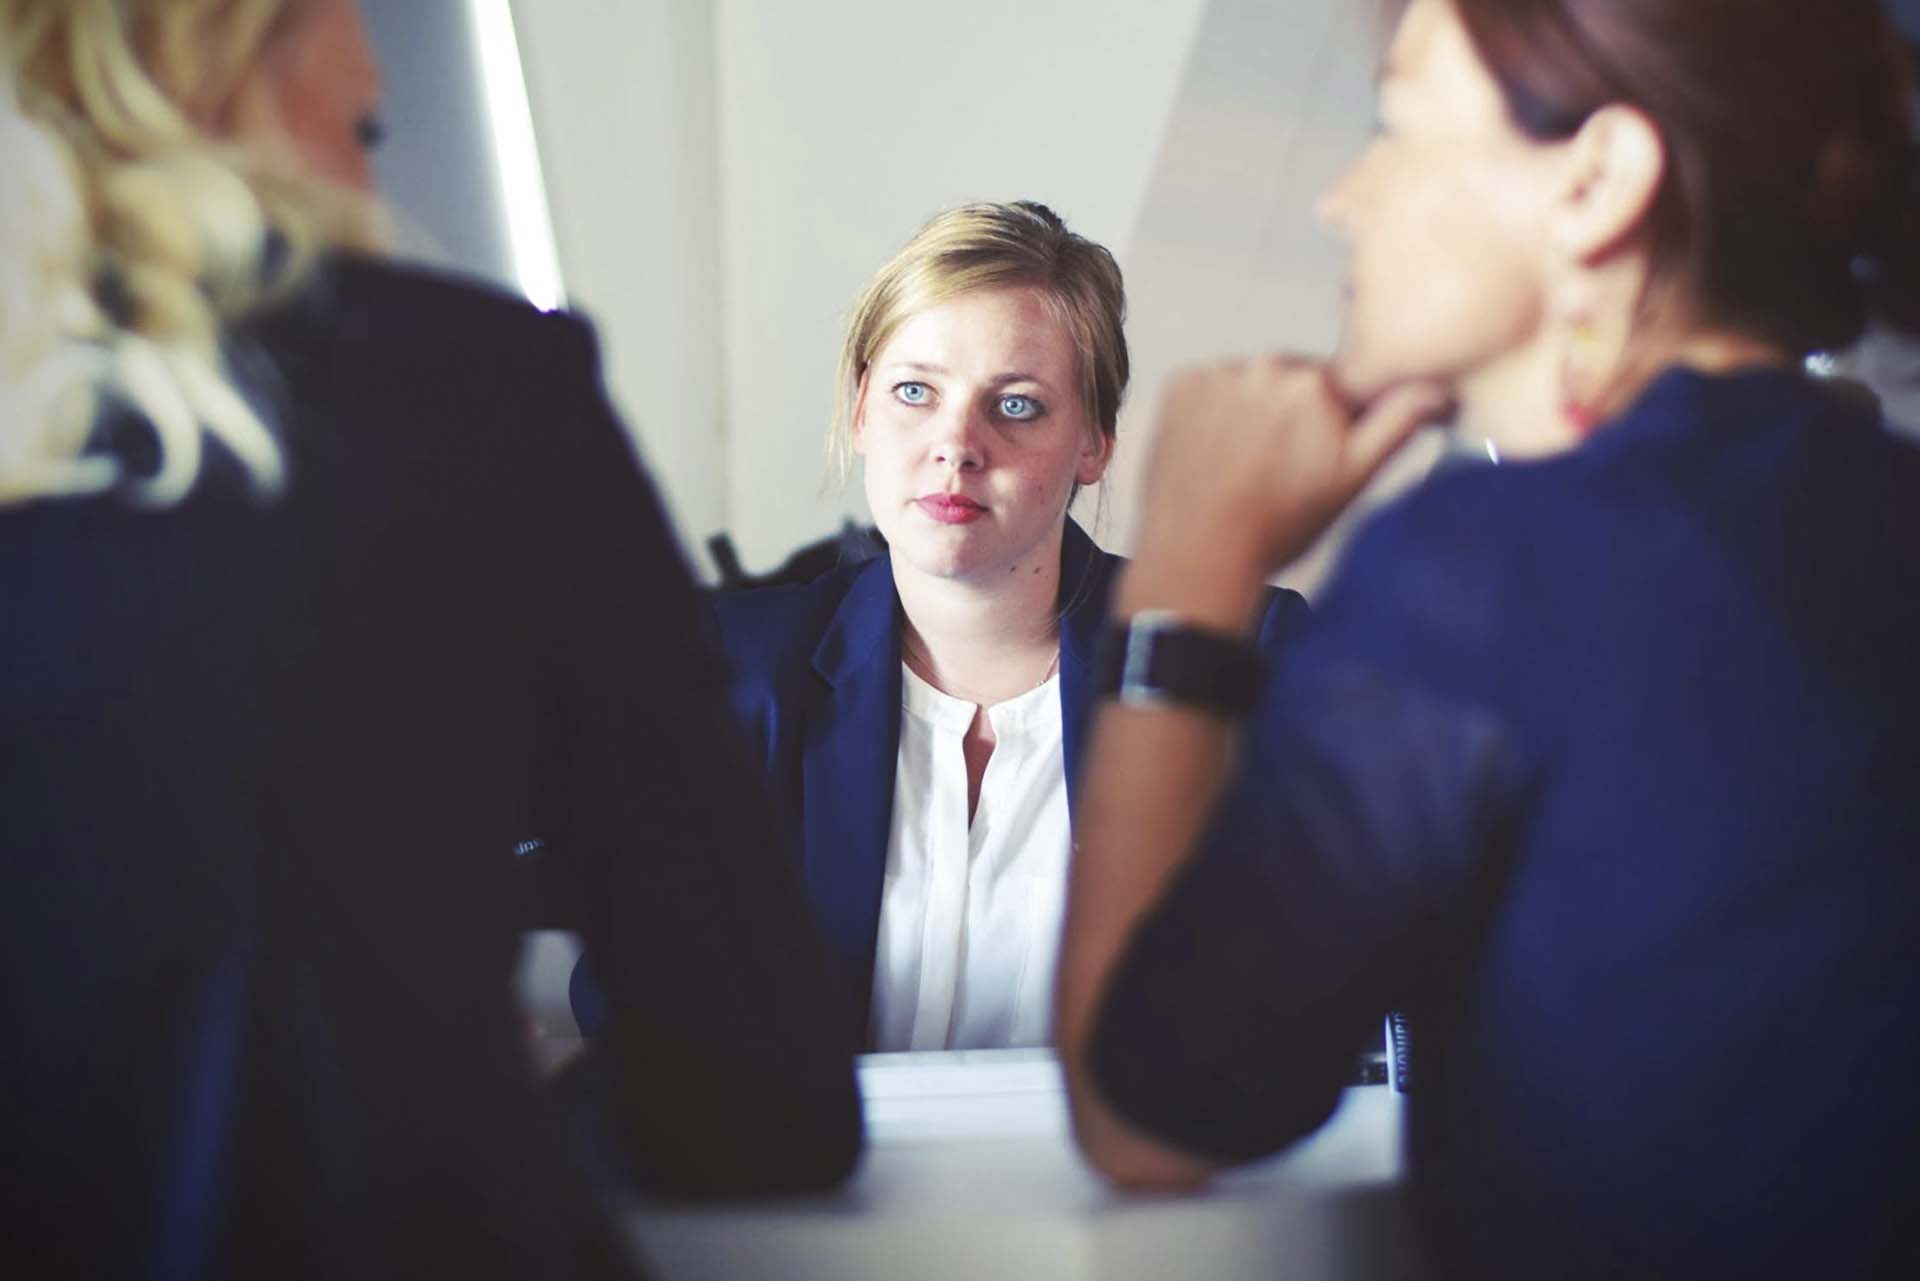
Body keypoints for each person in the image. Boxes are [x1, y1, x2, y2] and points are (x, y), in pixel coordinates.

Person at [1056, 1, 1920, 1278]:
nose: (1341, 199)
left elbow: (1146, 1115)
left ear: (1597, 180)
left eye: (1393, 126)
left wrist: (1191, 561)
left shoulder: (1490, 568)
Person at [0, 2, 860, 1278]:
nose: (372, 68)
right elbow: (760, 1096)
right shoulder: (470, 397)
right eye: (369, 116)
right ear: (224, 46)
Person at [574, 202, 1306, 1053]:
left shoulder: (1239, 656)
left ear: (1095, 443)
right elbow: (637, 1029)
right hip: (815, 1185)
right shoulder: (723, 672)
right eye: (914, 392)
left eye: (1019, 405)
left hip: (1132, 1182)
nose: (956, 445)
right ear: (860, 412)